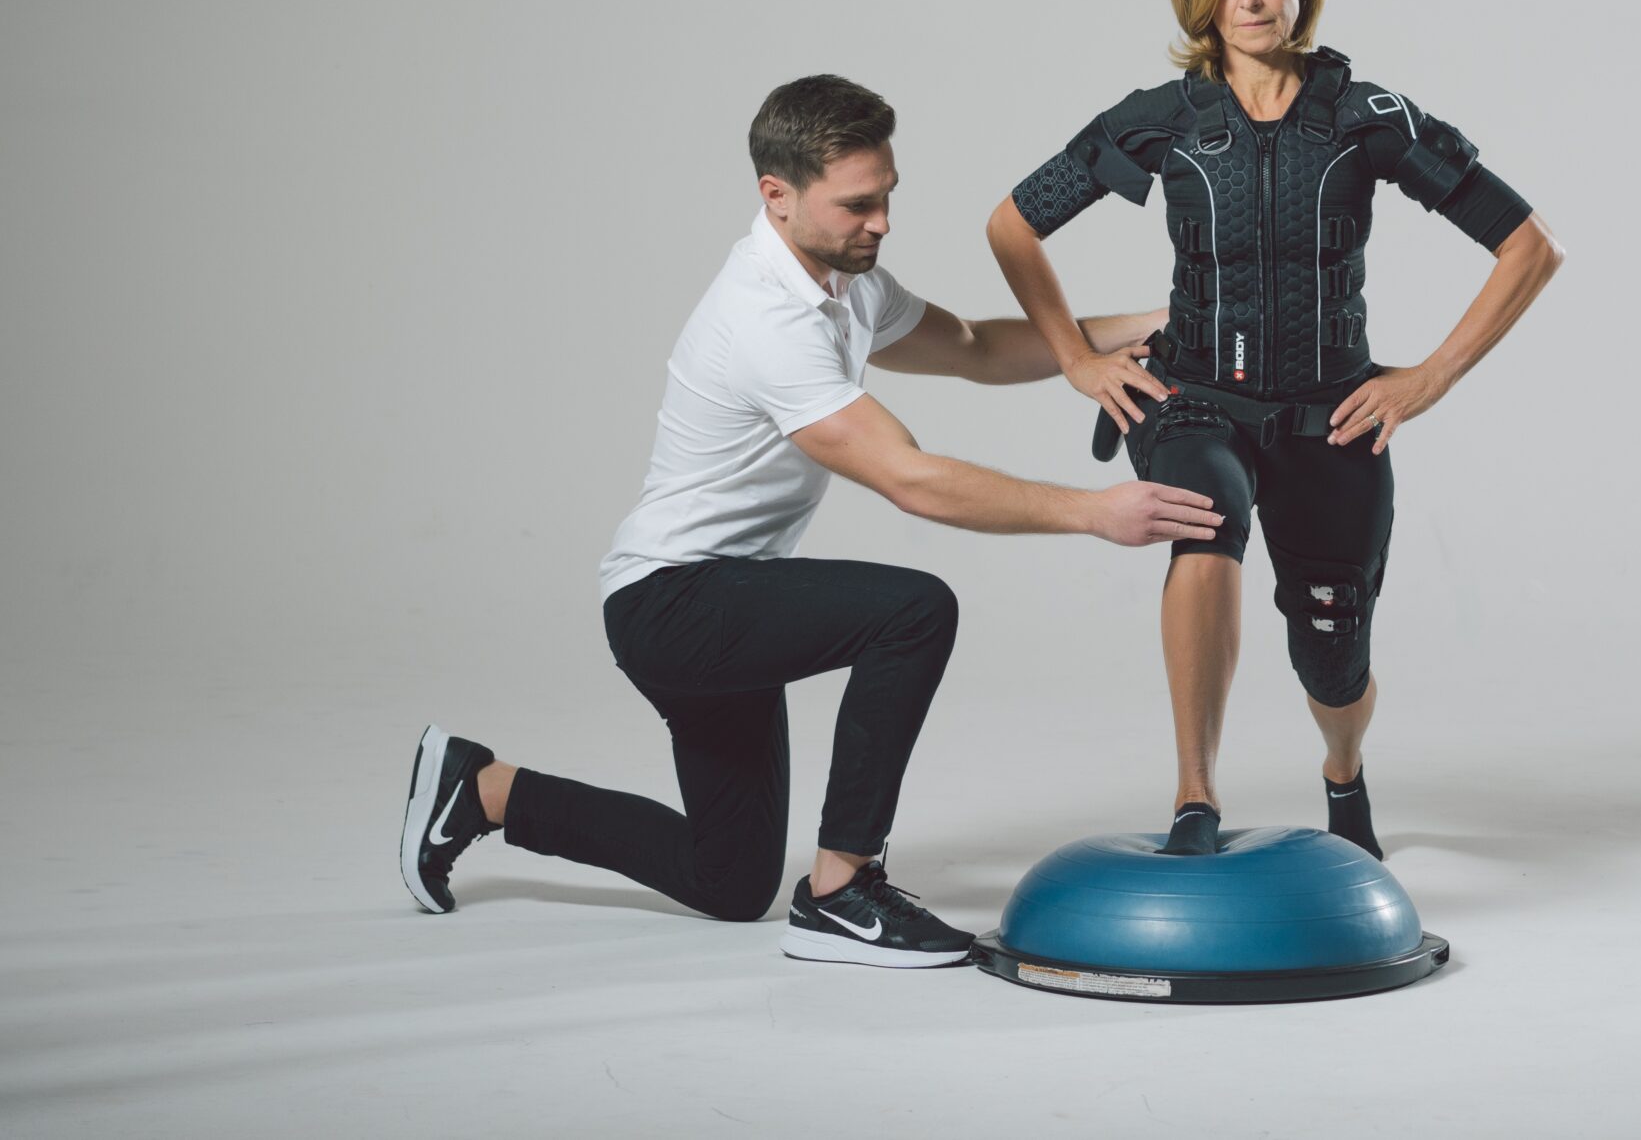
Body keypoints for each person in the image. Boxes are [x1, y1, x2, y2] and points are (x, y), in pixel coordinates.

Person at [400, 75, 1223, 966]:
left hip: (727, 595)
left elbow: (977, 348)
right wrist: (1094, 513)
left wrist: (1156, 320)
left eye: (888, 195)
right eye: (858, 205)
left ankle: (481, 789)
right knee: (914, 611)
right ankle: (842, 891)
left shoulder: (843, 280)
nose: (882, 222)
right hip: (671, 602)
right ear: (778, 195)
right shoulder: (765, 317)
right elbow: (910, 478)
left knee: (729, 879)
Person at [987, 0, 1563, 858]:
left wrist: (1428, 377)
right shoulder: (1159, 119)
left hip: (1331, 417)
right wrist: (1077, 359)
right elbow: (1012, 225)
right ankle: (1194, 800)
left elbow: (1529, 245)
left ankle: (1343, 770)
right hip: (1192, 399)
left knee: (1334, 660)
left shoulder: (1367, 118)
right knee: (1202, 515)